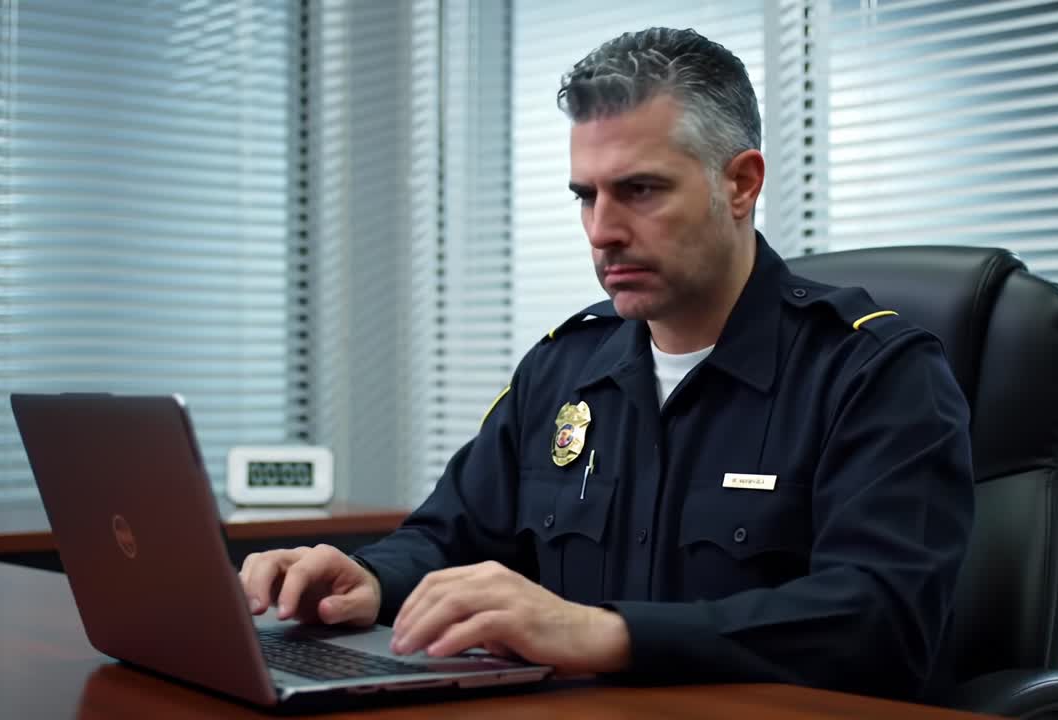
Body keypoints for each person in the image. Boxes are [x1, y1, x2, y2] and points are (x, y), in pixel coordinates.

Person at [240, 27, 974, 700]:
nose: (602, 231)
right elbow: (449, 535)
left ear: (741, 183)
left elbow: (880, 620)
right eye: (585, 196)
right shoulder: (564, 369)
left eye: (640, 191)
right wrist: (369, 578)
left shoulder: (874, 374)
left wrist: (601, 634)